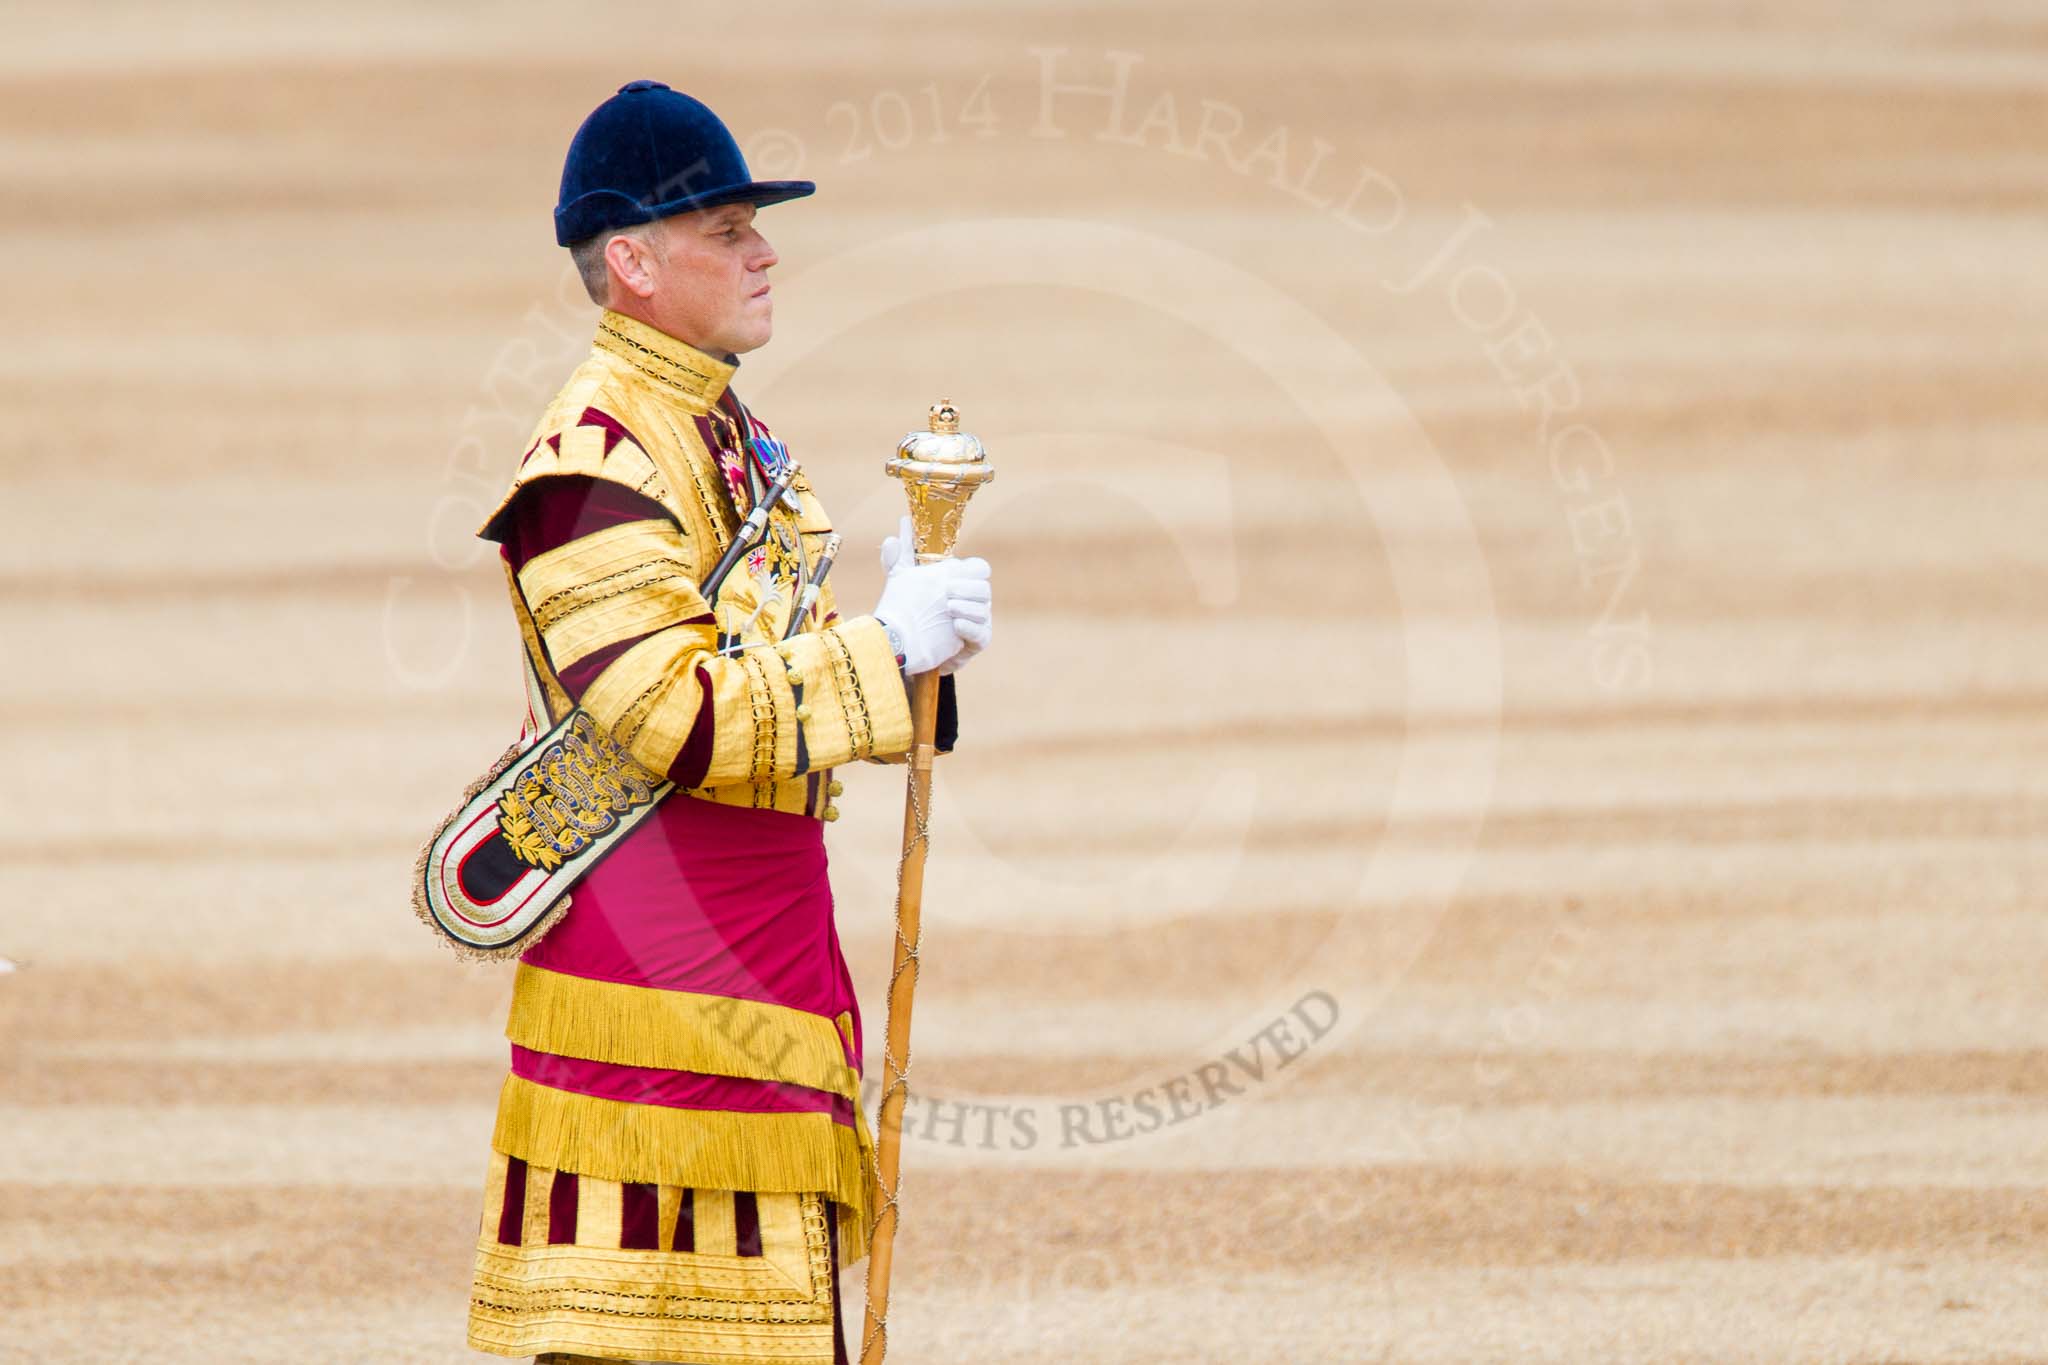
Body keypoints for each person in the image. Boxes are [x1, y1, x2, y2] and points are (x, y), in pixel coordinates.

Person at [461, 80, 993, 1365]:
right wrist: (885, 650)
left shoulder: (716, 424)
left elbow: (746, 660)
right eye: (724, 229)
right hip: (654, 961)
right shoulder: (594, 459)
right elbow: (671, 714)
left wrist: (910, 650)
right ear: (632, 262)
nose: (762, 252)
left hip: (761, 930)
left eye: (754, 223)